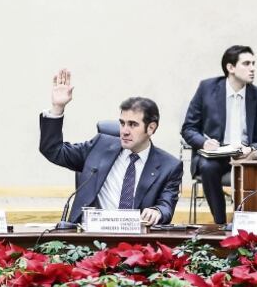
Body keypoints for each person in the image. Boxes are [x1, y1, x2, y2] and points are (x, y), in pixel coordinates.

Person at [39, 69, 182, 226]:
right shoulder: (100, 146)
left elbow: (166, 205)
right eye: (122, 123)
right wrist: (57, 108)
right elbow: (53, 150)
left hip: (136, 243)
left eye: (133, 124)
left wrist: (158, 211)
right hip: (90, 238)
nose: (125, 131)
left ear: (151, 128)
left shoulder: (170, 166)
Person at [180, 45, 257, 224]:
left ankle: (251, 224)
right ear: (230, 68)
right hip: (216, 154)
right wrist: (204, 143)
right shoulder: (207, 89)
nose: (252, 68)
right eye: (246, 63)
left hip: (247, 155)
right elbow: (188, 128)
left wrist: (253, 149)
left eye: (254, 63)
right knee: (207, 167)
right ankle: (220, 223)